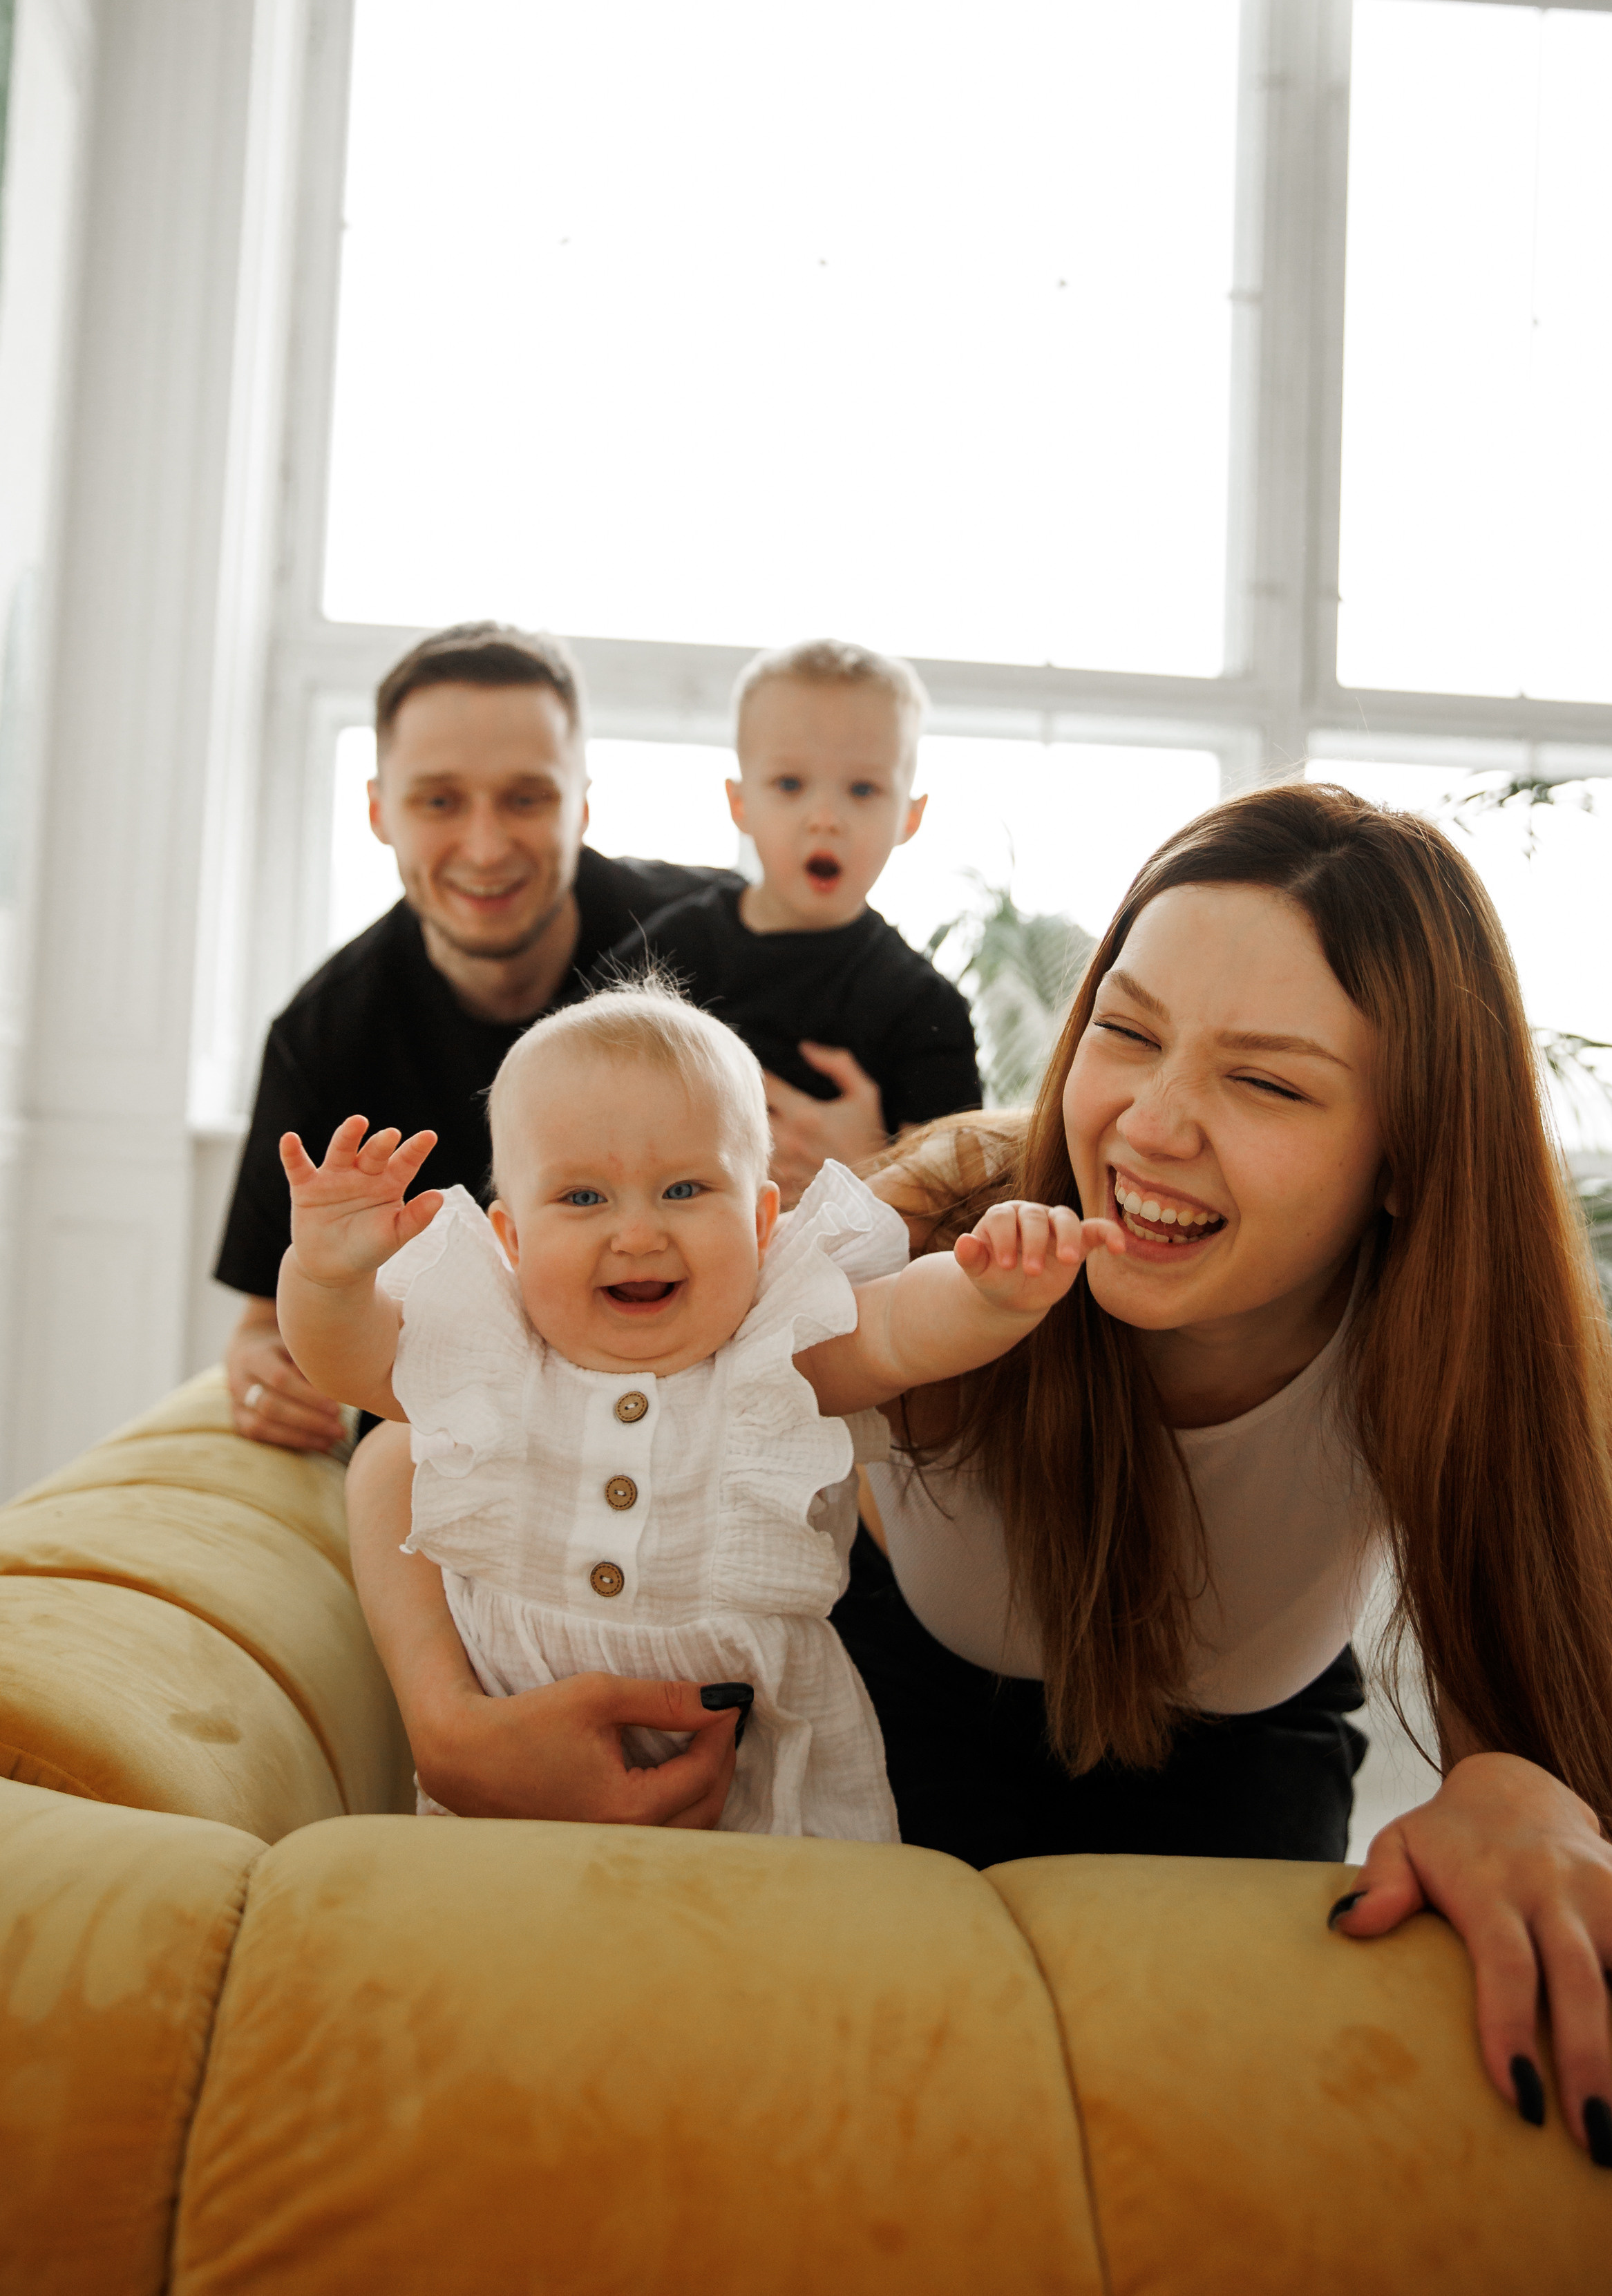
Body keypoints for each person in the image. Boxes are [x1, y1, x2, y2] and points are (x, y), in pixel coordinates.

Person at [343, 781, 1612, 2165]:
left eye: (1262, 1081)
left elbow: (1527, 1662)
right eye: (1125, 1031)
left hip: (1241, 1747)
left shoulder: (1458, 1332)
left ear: (1406, 1152)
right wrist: (445, 1724)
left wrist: (1514, 1782)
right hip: (904, 1701)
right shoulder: (946, 1220)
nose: (1149, 1127)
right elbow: (429, 1430)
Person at [274, 982, 1111, 1838]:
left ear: (760, 1221)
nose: (638, 1233)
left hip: (761, 1787)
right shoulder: (489, 1353)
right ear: (512, 1240)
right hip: (518, 1778)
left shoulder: (777, 1351)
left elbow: (898, 1328)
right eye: (583, 1197)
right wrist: (325, 1274)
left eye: (683, 1189)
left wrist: (989, 1294)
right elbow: (348, 1358)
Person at [215, 622, 742, 1453]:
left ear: (580, 803)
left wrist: (864, 1145)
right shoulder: (323, 1032)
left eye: (526, 798)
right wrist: (259, 1372)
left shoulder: (726, 943)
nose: (487, 847)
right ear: (379, 810)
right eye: (439, 800)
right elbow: (261, 1324)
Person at [596, 638, 980, 1206]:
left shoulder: (924, 1008)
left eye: (862, 789)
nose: (824, 819)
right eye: (790, 785)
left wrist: (871, 1166)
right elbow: (565, 1095)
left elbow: (959, 1212)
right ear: (740, 803)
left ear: (909, 815)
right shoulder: (664, 955)